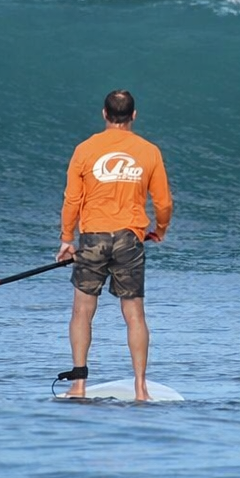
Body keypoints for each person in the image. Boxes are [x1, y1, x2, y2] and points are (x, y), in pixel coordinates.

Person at [55, 90, 173, 401]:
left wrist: (67, 239)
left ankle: (79, 384)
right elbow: (163, 202)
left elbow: (72, 200)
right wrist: (159, 230)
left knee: (82, 311)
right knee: (134, 313)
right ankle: (140, 388)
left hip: (93, 237)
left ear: (104, 114)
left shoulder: (85, 149)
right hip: (129, 237)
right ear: (133, 115)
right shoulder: (149, 151)